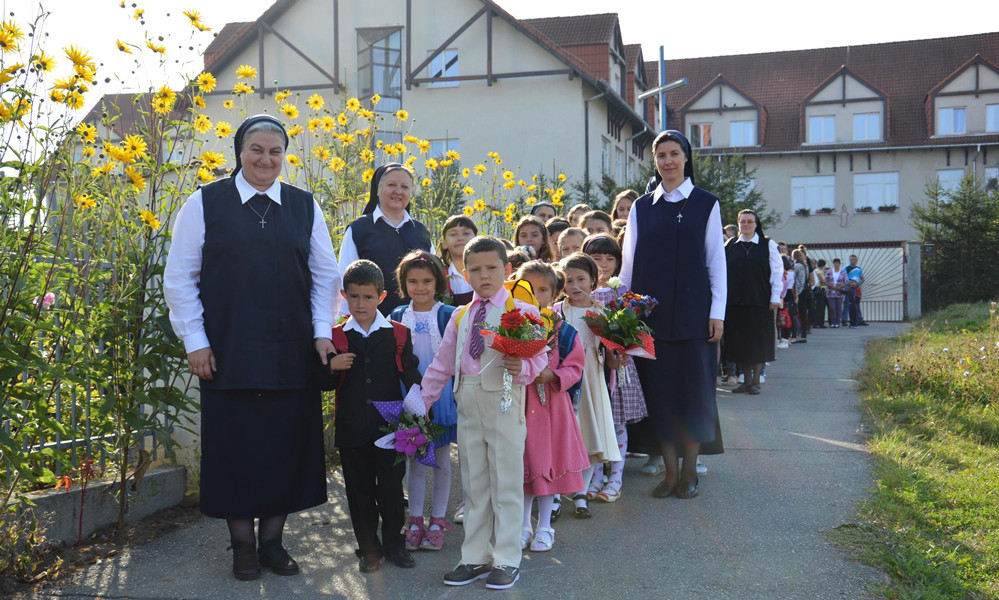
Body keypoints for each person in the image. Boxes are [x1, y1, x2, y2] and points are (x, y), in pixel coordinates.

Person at [163, 114, 340, 581]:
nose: (266, 159)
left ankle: (272, 544)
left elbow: (326, 276)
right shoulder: (205, 202)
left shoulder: (304, 205)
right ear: (239, 151)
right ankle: (242, 546)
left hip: (292, 350)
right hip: (228, 348)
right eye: (256, 149)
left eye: (275, 151)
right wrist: (195, 341)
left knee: (284, 447)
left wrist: (322, 331)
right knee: (235, 449)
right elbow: (179, 278)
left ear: (284, 155)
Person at [420, 235, 547, 590]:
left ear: (507, 269)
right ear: (465, 273)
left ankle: (506, 558)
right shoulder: (461, 315)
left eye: (492, 267)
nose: (484, 275)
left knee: (505, 482)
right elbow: (442, 363)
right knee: (474, 484)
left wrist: (521, 367)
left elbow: (540, 358)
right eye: (475, 269)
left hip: (504, 400)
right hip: (468, 402)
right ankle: (474, 556)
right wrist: (421, 402)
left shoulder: (522, 310)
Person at [620, 130, 726, 499]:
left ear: (686, 157)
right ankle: (668, 474)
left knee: (693, 396)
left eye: (674, 153)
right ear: (654, 161)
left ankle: (690, 473)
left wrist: (717, 313)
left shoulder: (706, 203)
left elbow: (716, 264)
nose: (668, 161)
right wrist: (623, 315)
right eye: (661, 155)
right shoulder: (641, 207)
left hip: (695, 317)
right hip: (651, 319)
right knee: (660, 395)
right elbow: (628, 267)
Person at [320, 260, 422, 573]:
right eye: (354, 296)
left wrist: (420, 415)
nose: (360, 304)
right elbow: (323, 383)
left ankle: (395, 545)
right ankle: (368, 550)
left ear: (381, 297)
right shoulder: (335, 337)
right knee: (358, 491)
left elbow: (411, 377)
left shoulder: (398, 335)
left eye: (367, 297)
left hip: (390, 430)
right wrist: (331, 367)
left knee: (391, 490)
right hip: (351, 429)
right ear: (344, 296)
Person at [517, 261, 589, 553]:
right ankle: (523, 524)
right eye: (528, 288)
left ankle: (545, 525)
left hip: (551, 409)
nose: (535, 295)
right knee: (523, 467)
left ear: (555, 293)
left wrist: (553, 375)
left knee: (547, 467)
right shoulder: (511, 325)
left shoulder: (564, 331)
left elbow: (576, 366)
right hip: (519, 407)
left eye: (543, 289)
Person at [390, 252, 458, 552]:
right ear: (403, 283)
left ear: (438, 282)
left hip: (441, 397)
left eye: (427, 281)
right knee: (415, 460)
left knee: (441, 460)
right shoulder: (397, 315)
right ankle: (415, 520)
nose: (420, 287)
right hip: (409, 395)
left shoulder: (449, 314)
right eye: (413, 281)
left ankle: (438, 520)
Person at [555, 252, 623, 515]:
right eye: (568, 280)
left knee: (589, 435)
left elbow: (611, 357)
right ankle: (556, 494)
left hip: (592, 378)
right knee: (562, 436)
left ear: (593, 280)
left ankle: (581, 492)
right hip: (562, 379)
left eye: (581, 279)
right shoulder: (557, 311)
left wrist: (618, 358)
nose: (574, 286)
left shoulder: (602, 312)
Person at [583, 234, 647, 502]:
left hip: (618, 366)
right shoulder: (581, 292)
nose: (603, 264)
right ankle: (596, 477)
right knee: (595, 422)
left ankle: (616, 478)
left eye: (610, 259)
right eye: (597, 258)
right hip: (592, 365)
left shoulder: (623, 293)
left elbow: (630, 327)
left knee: (618, 422)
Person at [339, 163, 432, 315]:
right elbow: (344, 280)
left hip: (418, 321)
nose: (398, 191)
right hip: (370, 322)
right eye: (391, 185)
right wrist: (345, 321)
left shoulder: (421, 232)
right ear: (377, 190)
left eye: (405, 187)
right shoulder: (358, 230)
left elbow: (434, 280)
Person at [721, 209, 782, 394]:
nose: (746, 224)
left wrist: (775, 296)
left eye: (749, 221)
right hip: (735, 303)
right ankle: (746, 381)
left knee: (758, 344)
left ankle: (755, 382)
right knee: (740, 344)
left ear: (756, 224)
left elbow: (777, 272)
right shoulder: (731, 245)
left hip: (760, 301)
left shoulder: (767, 244)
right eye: (743, 221)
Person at [437, 215, 477, 306]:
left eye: (466, 233)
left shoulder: (488, 272)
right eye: (453, 234)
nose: (460, 238)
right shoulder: (439, 276)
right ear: (444, 243)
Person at [792, 249, 809, 343]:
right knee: (803, 314)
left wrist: (796, 293)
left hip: (799, 291)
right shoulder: (804, 265)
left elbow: (798, 281)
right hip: (804, 291)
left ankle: (797, 334)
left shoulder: (797, 266)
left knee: (796, 313)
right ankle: (803, 334)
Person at [844, 254, 866, 326]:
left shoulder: (859, 268)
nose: (853, 261)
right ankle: (844, 320)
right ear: (849, 260)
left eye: (854, 259)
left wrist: (857, 284)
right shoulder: (846, 268)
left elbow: (862, 279)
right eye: (851, 259)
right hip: (848, 289)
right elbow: (843, 277)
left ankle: (859, 320)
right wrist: (849, 284)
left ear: (856, 260)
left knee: (857, 304)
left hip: (857, 289)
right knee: (847, 304)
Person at [826, 258, 848, 328]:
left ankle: (838, 322)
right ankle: (832, 322)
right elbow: (825, 281)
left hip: (839, 292)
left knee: (838, 308)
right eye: (835, 263)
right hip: (831, 292)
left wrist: (841, 287)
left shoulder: (843, 272)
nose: (836, 264)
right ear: (833, 264)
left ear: (839, 264)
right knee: (832, 308)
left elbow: (846, 282)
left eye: (837, 263)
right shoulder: (829, 272)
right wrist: (831, 286)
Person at [810, 258, 829, 328]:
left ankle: (815, 323)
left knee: (816, 308)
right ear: (823, 265)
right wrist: (824, 282)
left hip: (816, 290)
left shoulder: (815, 270)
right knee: (820, 307)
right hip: (819, 290)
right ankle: (820, 323)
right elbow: (822, 281)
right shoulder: (818, 271)